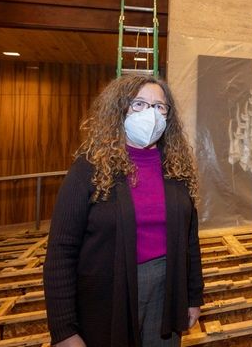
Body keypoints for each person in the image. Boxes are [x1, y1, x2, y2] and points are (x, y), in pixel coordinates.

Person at [44, 74, 203, 347]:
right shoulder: (89, 168)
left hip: (167, 291)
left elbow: (190, 239)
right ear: (120, 110)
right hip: (107, 294)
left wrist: (192, 297)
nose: (150, 114)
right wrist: (64, 330)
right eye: (139, 104)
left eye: (159, 107)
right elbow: (61, 250)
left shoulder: (176, 168)